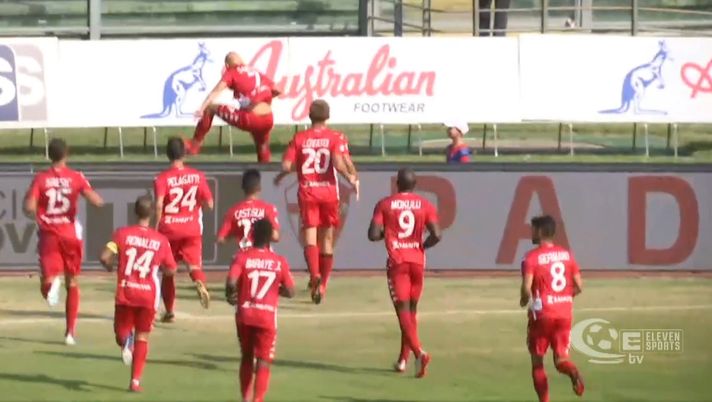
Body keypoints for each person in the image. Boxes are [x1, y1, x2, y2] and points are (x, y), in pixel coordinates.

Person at [273, 99, 358, 304]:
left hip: (308, 191)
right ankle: (322, 285)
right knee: (327, 240)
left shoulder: (300, 138)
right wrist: (352, 178)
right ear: (327, 116)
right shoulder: (335, 137)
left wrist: (283, 175)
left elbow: (286, 166)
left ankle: (314, 274)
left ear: (309, 116)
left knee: (310, 238)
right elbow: (339, 162)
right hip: (329, 192)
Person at [24, 138, 105, 345]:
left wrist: (32, 208)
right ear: (66, 154)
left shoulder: (41, 179)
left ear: (49, 155)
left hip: (49, 234)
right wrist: (96, 200)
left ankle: (52, 285)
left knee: (47, 280)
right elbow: (96, 200)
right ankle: (70, 332)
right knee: (73, 282)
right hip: (70, 234)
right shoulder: (76, 176)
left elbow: (29, 207)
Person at [99, 195, 178, 393]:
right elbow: (171, 269)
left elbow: (104, 256)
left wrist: (109, 266)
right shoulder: (161, 240)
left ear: (135, 211)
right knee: (143, 336)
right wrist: (160, 267)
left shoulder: (121, 234)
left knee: (120, 334)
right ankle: (135, 381)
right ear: (152, 214)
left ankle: (126, 341)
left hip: (126, 291)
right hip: (148, 295)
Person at [368, 168, 441, 377]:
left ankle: (419, 353)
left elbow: (372, 234)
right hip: (417, 262)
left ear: (397, 184)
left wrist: (389, 233)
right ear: (414, 185)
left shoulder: (385, 204)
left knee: (403, 312)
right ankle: (403, 360)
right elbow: (437, 234)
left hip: (398, 262)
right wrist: (422, 246)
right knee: (411, 312)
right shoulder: (425, 205)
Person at [226, 219, 295, 402]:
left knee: (247, 356)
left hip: (245, 315)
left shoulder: (242, 257)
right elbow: (291, 291)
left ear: (252, 235)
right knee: (264, 360)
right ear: (270, 237)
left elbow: (231, 282)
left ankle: (245, 398)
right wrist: (275, 289)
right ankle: (258, 400)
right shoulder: (279, 261)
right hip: (267, 317)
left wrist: (230, 295)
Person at [520, 215, 585, 402]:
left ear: (540, 231)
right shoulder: (567, 255)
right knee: (561, 360)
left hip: (542, 315)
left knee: (537, 362)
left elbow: (526, 288)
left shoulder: (531, 257)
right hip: (564, 313)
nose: (531, 233)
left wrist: (524, 301)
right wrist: (564, 298)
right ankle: (572, 371)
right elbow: (579, 286)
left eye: (533, 230)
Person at [154, 137, 214, 322]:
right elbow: (210, 204)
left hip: (169, 229)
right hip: (191, 228)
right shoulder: (198, 176)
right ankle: (199, 281)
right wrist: (196, 207)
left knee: (168, 271)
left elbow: (158, 205)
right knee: (194, 265)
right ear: (184, 154)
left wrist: (155, 227)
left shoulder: (162, 178)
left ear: (167, 154)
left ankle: (169, 311)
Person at [188, 52, 281, 162]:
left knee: (210, 108)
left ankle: (195, 145)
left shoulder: (232, 72)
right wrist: (260, 100)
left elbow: (215, 92)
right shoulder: (255, 72)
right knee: (262, 145)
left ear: (227, 65)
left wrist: (201, 108)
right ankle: (265, 170)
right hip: (268, 118)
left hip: (251, 118)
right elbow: (278, 90)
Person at [217, 169, 280, 250]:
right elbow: (276, 237)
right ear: (259, 187)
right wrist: (262, 230)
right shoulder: (268, 208)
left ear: (243, 188)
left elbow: (221, 239)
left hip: (245, 255)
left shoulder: (233, 211)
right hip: (263, 255)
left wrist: (236, 231)